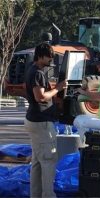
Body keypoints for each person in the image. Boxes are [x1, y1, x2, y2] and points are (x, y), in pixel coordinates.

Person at [24, 42, 67, 197]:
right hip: (41, 122)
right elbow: (40, 97)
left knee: (37, 162)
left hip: (33, 120)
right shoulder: (38, 73)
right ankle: (48, 195)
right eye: (49, 57)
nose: (51, 60)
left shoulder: (32, 68)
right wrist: (58, 89)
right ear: (41, 56)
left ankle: (35, 195)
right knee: (48, 160)